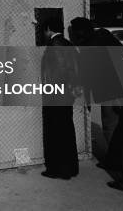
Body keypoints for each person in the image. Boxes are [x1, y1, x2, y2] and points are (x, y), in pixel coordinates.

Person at [68, 17, 123, 173]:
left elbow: (86, 77)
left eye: (73, 31)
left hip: (109, 90)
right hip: (122, 85)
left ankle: (116, 162)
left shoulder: (85, 47)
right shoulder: (104, 34)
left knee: (110, 125)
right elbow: (122, 50)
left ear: (80, 32)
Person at [40, 16, 79, 180]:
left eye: (44, 30)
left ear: (48, 29)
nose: (43, 34)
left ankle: (57, 169)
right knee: (67, 130)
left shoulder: (54, 46)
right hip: (67, 95)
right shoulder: (67, 43)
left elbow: (57, 73)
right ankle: (70, 168)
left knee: (55, 132)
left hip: (56, 96)